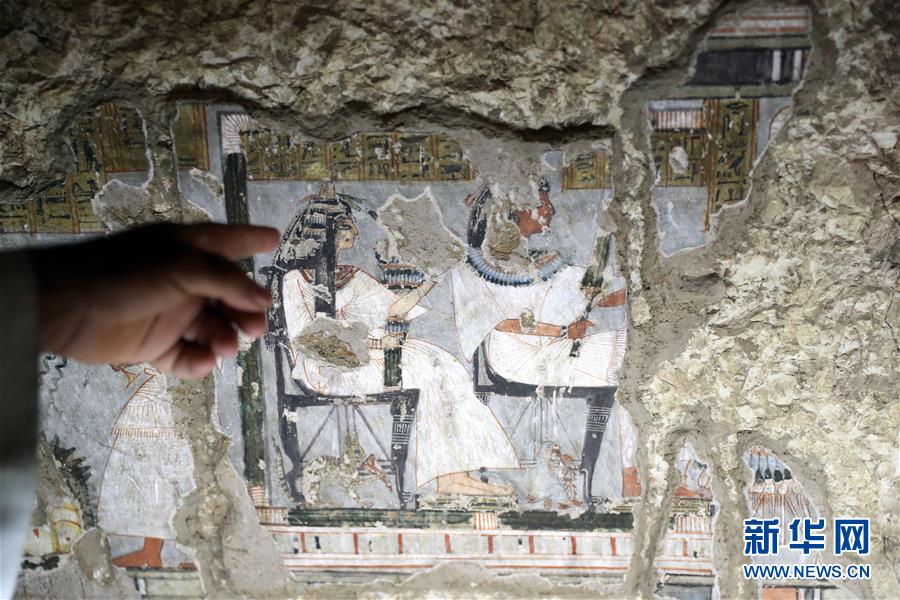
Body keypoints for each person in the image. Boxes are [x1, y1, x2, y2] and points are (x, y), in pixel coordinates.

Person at [0, 222, 279, 598]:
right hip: (153, 408)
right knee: (146, 479)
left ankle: (172, 548)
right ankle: (156, 548)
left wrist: (58, 299)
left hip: (162, 410)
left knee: (164, 478)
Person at [271, 185, 520, 497]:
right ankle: (447, 479)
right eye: (347, 226)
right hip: (326, 370)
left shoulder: (351, 274)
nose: (356, 232)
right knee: (429, 373)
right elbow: (310, 339)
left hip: (364, 360)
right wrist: (377, 345)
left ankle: (455, 475)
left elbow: (395, 308)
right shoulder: (294, 280)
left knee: (445, 365)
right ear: (326, 232)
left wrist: (433, 278)